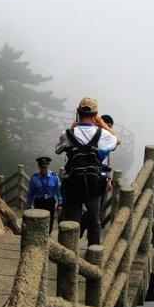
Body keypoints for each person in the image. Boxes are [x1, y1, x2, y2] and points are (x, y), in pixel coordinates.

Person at [56, 97, 120, 245]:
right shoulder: (102, 135)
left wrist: (72, 129)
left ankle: (68, 254)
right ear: (96, 114)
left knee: (70, 220)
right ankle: (93, 256)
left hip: (72, 182)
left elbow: (58, 150)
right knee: (94, 220)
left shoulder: (67, 133)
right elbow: (118, 139)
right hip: (94, 183)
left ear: (78, 113)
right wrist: (103, 125)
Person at [25, 156, 62, 234]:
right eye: (42, 167)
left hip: (50, 201)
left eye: (45, 167)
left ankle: (48, 235)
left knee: (50, 220)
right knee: (39, 220)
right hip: (39, 201)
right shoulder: (34, 178)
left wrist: (60, 203)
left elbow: (58, 191)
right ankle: (39, 235)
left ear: (48, 166)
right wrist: (28, 206)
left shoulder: (54, 177)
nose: (44, 169)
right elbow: (30, 193)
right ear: (39, 167)